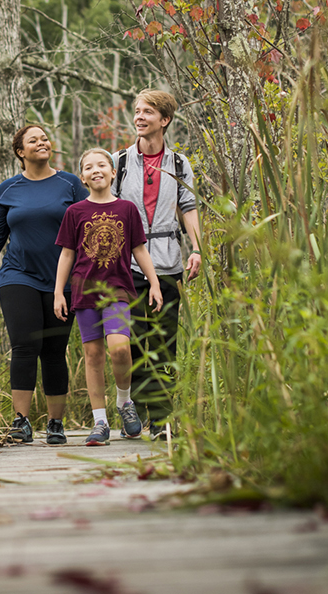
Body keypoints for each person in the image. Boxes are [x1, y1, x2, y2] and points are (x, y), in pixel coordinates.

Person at [0, 124, 87, 446]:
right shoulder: (9, 189)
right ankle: (21, 421)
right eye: (34, 140)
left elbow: (91, 223)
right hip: (18, 275)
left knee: (54, 350)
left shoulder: (70, 184)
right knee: (23, 344)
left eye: (45, 138)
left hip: (62, 281)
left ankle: (55, 423)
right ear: (20, 152)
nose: (42, 142)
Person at [53, 148, 162, 446]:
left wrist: (154, 284)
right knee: (93, 355)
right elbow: (67, 254)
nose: (96, 170)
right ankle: (99, 421)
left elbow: (140, 249)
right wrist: (57, 293)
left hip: (117, 290)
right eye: (89, 167)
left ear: (114, 172)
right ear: (83, 176)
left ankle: (124, 402)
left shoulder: (127, 209)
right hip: (84, 291)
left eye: (102, 165)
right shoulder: (75, 212)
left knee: (120, 350)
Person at [112, 89, 203, 441]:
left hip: (167, 263)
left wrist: (196, 249)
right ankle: (138, 408)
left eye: (147, 112)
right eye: (136, 111)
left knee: (164, 343)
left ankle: (162, 420)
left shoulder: (179, 164)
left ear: (164, 120)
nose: (139, 117)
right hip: (127, 265)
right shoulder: (119, 162)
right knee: (134, 341)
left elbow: (189, 208)